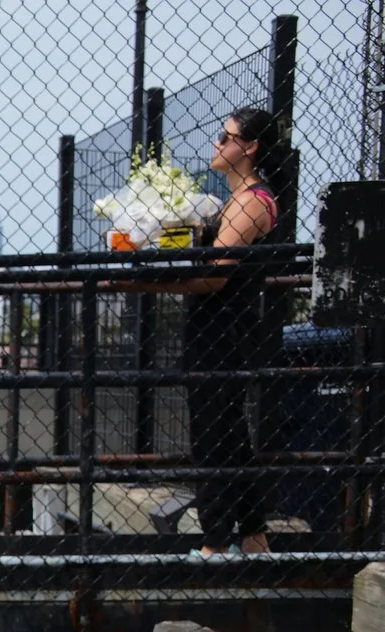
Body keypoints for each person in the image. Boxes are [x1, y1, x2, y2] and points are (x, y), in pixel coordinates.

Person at [168, 107, 284, 556]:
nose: (217, 144)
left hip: (223, 329)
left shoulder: (252, 201)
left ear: (249, 148)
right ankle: (255, 539)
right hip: (217, 327)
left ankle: (215, 544)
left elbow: (217, 278)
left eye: (226, 137)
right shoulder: (235, 200)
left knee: (213, 436)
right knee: (230, 435)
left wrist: (138, 281)